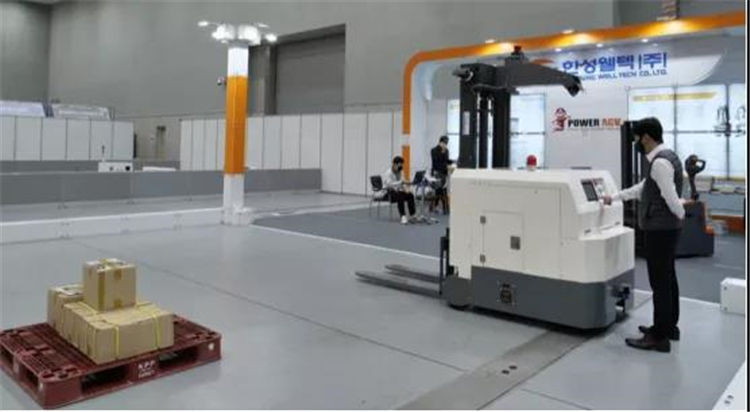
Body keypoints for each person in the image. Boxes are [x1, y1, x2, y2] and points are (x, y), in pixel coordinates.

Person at [603, 117, 687, 353]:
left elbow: (671, 197)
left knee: (659, 282)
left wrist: (681, 214)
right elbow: (643, 189)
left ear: (647, 138)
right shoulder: (666, 157)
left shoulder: (659, 164)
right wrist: (614, 197)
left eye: (637, 138)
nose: (636, 143)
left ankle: (659, 337)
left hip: (660, 230)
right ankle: (668, 327)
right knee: (668, 279)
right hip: (667, 229)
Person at [382, 156, 416, 224]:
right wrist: (400, 183)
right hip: (389, 192)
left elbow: (403, 182)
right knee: (400, 196)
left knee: (410, 195)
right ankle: (403, 216)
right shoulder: (388, 173)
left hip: (398, 191)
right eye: (399, 165)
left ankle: (412, 215)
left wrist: (406, 189)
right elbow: (389, 184)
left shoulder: (400, 171)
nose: (400, 166)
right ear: (394, 164)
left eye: (401, 165)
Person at [430, 136, 453, 214]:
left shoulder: (446, 151)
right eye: (444, 143)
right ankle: (445, 208)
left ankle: (437, 206)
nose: (445, 145)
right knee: (441, 190)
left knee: (441, 190)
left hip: (444, 172)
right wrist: (442, 153)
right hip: (436, 172)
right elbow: (436, 162)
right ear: (440, 142)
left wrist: (452, 162)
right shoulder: (433, 150)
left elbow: (446, 161)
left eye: (446, 144)